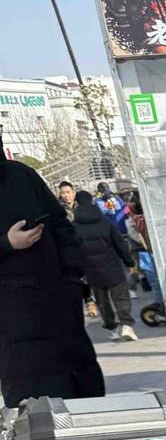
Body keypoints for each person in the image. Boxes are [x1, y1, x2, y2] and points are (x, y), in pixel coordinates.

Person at [0, 145, 104, 404]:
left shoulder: (21, 173)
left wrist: (72, 272)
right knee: (39, 410)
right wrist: (7, 243)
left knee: (86, 396)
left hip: (58, 299)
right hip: (13, 315)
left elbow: (59, 222)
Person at [71, 190, 136, 341]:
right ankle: (126, 325)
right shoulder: (105, 222)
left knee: (103, 301)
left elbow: (73, 251)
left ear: (77, 204)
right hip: (113, 266)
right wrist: (129, 262)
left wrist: (79, 270)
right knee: (121, 298)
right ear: (92, 202)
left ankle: (112, 329)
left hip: (92, 271)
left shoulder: (74, 227)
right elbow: (119, 243)